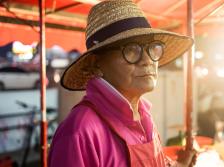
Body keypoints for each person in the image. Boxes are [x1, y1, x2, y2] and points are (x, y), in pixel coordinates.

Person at [48, 0, 196, 166]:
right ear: (97, 62)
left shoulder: (143, 115)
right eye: (132, 50)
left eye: (152, 47)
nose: (147, 60)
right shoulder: (79, 131)